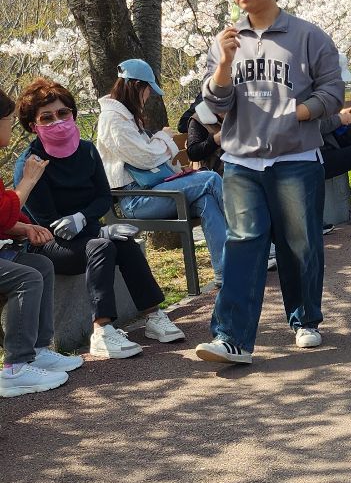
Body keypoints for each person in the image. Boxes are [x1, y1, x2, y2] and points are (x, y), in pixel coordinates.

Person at [195, 0, 346, 366]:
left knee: (301, 243)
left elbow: (333, 90)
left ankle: (305, 318)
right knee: (243, 242)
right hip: (241, 161)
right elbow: (215, 105)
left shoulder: (308, 36)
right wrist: (224, 63)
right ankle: (231, 337)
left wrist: (301, 112)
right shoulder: (226, 41)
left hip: (296, 158)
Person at [14, 77, 184, 358]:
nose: (57, 121)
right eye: (47, 117)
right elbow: (46, 222)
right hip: (48, 243)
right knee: (101, 246)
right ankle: (102, 330)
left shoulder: (87, 150)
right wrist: (96, 231)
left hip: (86, 233)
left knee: (124, 243)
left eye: (63, 113)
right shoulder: (31, 162)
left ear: (73, 114)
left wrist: (84, 218)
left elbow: (103, 197)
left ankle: (153, 315)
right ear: (33, 125)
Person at [96, 60, 228, 283]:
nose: (148, 96)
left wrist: (159, 140)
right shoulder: (112, 119)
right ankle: (253, 244)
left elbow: (146, 154)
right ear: (137, 86)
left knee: (206, 200)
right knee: (211, 179)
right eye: (148, 90)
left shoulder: (125, 117)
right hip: (136, 199)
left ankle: (226, 273)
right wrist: (163, 137)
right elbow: (146, 157)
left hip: (154, 191)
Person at [0, 88, 83, 396]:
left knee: (41, 265)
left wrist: (24, 228)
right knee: (26, 277)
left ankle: (37, 350)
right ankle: (15, 367)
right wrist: (28, 181)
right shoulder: (28, 161)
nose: (10, 127)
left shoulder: (85, 151)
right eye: (8, 120)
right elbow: (3, 212)